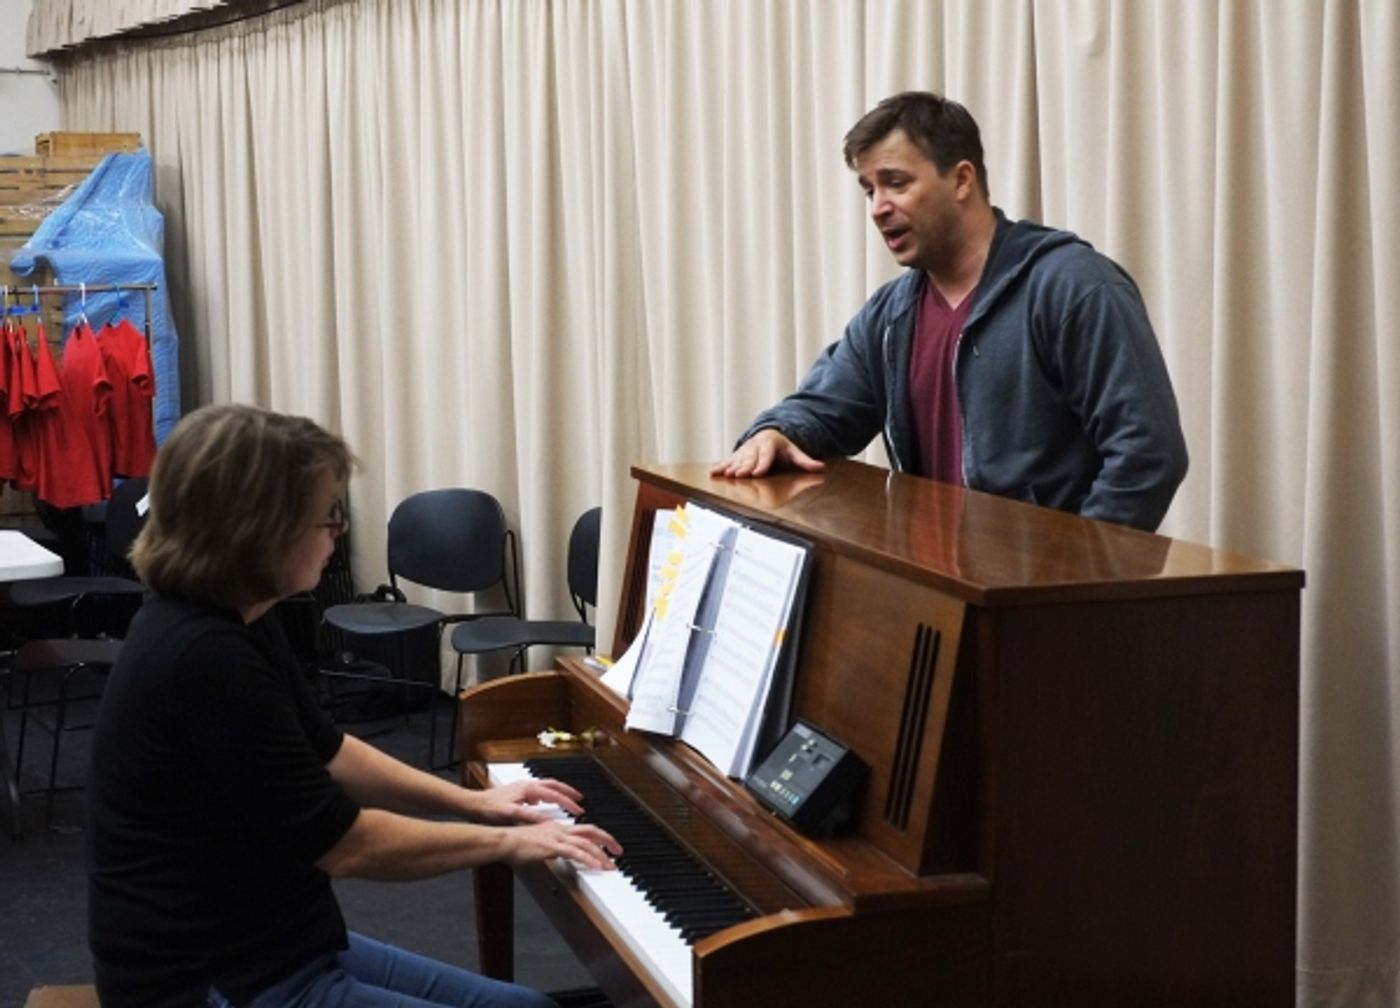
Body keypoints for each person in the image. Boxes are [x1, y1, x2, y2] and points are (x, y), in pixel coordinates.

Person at [86, 403, 621, 1008]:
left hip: (276, 941)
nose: (337, 532)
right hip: (207, 979)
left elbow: (331, 752)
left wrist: (477, 803)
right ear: (259, 531)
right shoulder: (203, 656)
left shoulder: (240, 615)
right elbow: (347, 845)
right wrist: (508, 844)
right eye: (327, 516)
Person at [711, 91, 1188, 532]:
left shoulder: (1073, 286)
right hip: (939, 590)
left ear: (962, 179)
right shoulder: (891, 314)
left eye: (896, 183)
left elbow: (1148, 453)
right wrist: (775, 432)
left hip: (1045, 592)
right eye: (869, 190)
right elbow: (824, 407)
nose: (878, 208)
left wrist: (1077, 571)